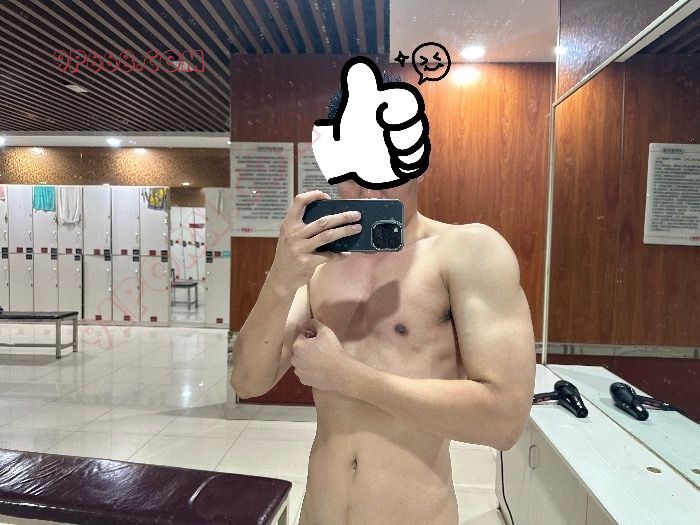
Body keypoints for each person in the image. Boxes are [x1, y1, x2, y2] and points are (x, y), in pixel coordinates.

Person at [231, 84, 536, 525]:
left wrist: (347, 377)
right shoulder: (316, 263)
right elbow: (247, 380)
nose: (370, 185)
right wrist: (280, 278)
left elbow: (504, 419)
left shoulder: (467, 252)